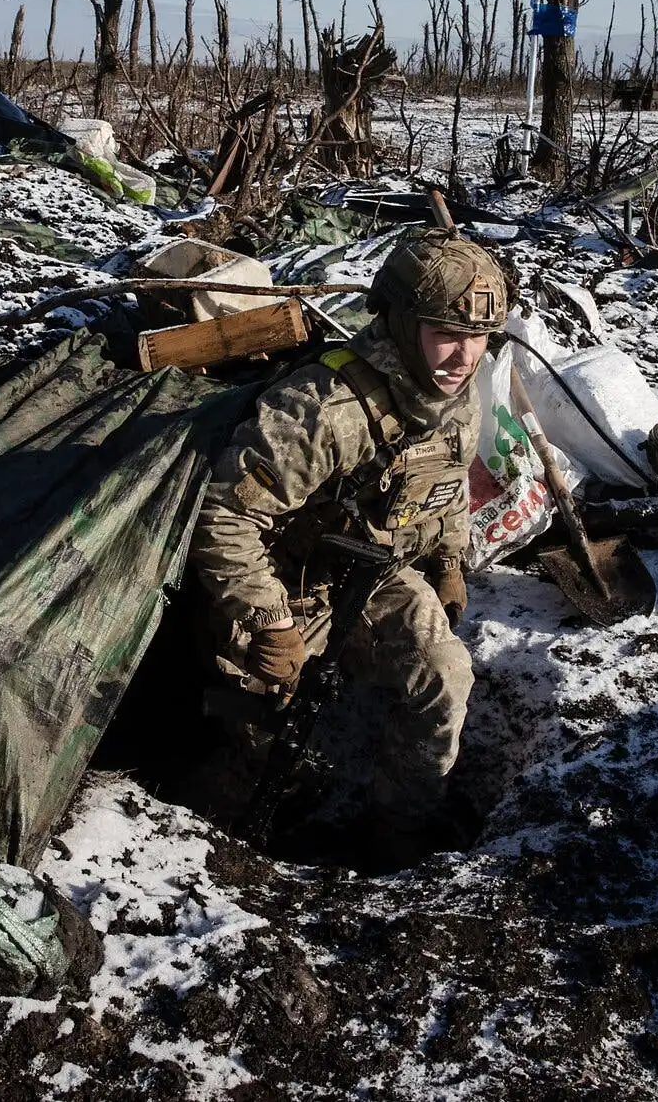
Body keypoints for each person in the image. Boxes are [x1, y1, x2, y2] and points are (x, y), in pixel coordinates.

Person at [188, 227, 508, 870]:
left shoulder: (457, 391)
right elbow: (224, 516)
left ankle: (399, 826)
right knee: (254, 734)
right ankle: (216, 846)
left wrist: (447, 560)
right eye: (447, 333)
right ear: (398, 323)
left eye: (479, 338)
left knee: (445, 673)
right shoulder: (324, 410)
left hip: (375, 573)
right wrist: (268, 619)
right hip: (285, 581)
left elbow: (447, 483)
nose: (465, 355)